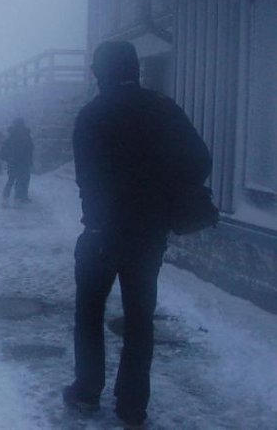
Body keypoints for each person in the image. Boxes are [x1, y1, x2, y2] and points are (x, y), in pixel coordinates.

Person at [63, 41, 212, 428]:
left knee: (89, 314)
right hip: (148, 235)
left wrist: (99, 216)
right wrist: (165, 193)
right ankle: (132, 406)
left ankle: (86, 390)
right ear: (135, 69)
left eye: (97, 69)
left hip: (101, 233)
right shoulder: (164, 110)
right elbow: (200, 159)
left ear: (104, 72)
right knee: (140, 320)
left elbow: (86, 177)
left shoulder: (93, 114)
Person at [0, 118, 33, 206]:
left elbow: (4, 149)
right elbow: (30, 148)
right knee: (19, 180)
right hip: (22, 162)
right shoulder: (25, 136)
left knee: (11, 180)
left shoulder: (11, 136)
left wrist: (8, 158)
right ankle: (17, 199)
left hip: (13, 162)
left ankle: (5, 199)